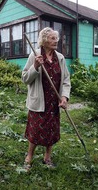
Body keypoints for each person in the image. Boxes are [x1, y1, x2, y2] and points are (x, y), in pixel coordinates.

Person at [21, 27, 71, 171]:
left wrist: (64, 97)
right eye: (53, 38)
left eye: (57, 38)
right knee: (35, 130)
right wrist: (35, 67)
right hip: (39, 100)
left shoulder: (60, 58)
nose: (56, 41)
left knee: (52, 130)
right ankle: (29, 156)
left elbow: (66, 80)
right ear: (44, 40)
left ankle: (47, 157)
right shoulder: (35, 55)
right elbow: (25, 78)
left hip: (54, 101)